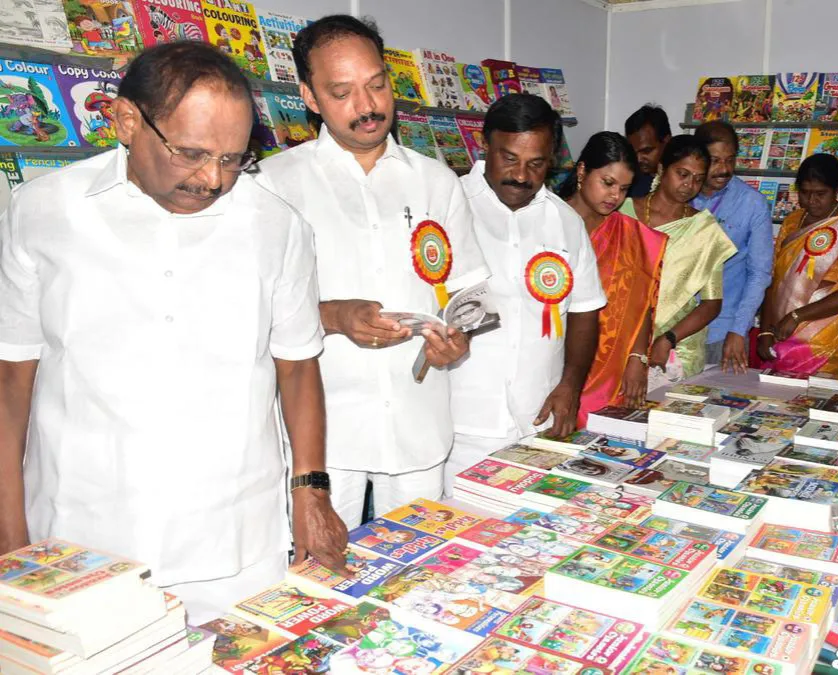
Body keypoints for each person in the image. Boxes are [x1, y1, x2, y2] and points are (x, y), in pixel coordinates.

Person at [0, 42, 346, 622]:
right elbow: (12, 379)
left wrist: (310, 490)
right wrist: (10, 532)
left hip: (234, 543)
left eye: (234, 158)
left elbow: (296, 363)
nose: (212, 178)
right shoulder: (40, 212)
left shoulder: (276, 226)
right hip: (78, 538)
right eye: (191, 153)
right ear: (126, 120)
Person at [255, 16, 485, 527]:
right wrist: (334, 316)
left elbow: (469, 290)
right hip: (322, 435)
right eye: (342, 92)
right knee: (320, 575)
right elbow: (248, 307)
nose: (368, 106)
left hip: (418, 418)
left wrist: (459, 337)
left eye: (377, 85)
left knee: (419, 570)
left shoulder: (437, 181)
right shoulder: (273, 184)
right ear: (310, 97)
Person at [447, 94, 606, 494]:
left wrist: (570, 386)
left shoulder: (565, 222)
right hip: (459, 419)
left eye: (536, 163)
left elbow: (585, 311)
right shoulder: (447, 205)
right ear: (485, 144)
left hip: (540, 417)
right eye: (510, 158)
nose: (521, 175)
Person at [560, 132, 667, 420]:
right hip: (552, 358)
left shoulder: (629, 234)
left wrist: (637, 357)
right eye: (607, 183)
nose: (615, 197)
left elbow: (640, 300)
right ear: (582, 171)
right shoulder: (549, 220)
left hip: (610, 366)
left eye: (624, 189)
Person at [621, 135, 736, 379]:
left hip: (676, 348)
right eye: (682, 174)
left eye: (698, 179)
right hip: (621, 336)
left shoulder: (704, 229)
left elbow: (712, 303)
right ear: (662, 169)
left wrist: (668, 339)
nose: (689, 184)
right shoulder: (623, 212)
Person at [756, 154, 838, 376]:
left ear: (837, 190)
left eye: (820, 194)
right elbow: (774, 279)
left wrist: (797, 316)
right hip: (780, 333)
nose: (812, 201)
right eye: (805, 193)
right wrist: (764, 332)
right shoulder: (793, 222)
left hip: (825, 340)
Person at [690, 121, 773, 373]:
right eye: (715, 161)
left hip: (723, 330)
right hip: (674, 328)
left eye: (730, 160)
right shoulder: (680, 195)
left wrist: (738, 330)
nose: (724, 170)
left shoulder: (752, 204)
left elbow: (760, 274)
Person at [624, 104, 671, 198]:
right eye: (633, 152)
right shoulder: (628, 181)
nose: (638, 159)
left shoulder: (682, 180)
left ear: (666, 141)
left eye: (646, 151)